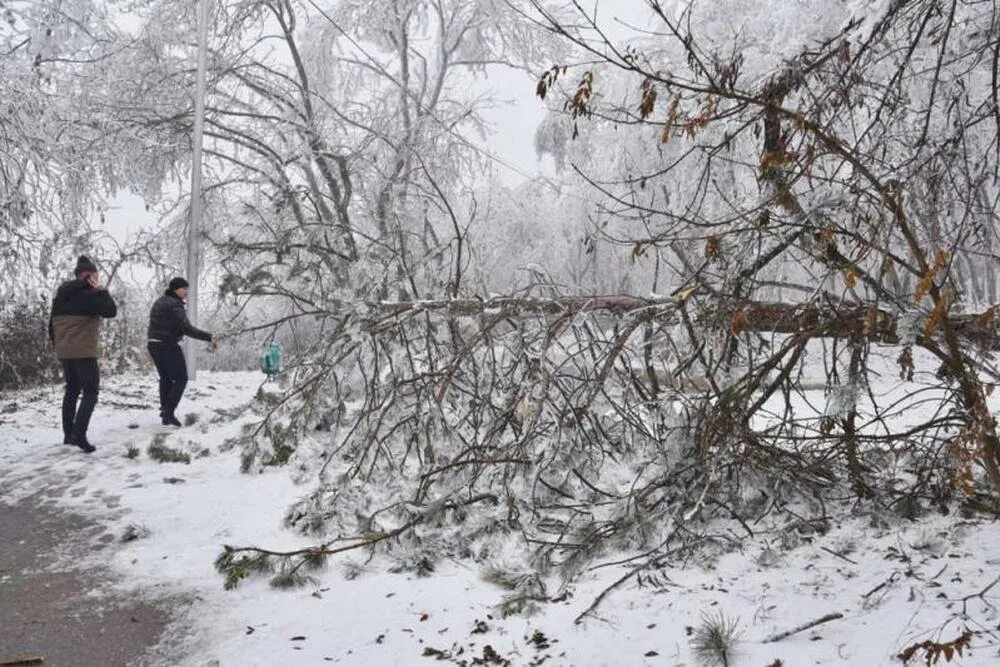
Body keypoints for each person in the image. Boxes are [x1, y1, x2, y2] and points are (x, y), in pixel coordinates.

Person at [49, 255, 118, 453]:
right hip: (84, 352)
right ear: (87, 275)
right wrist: (102, 291)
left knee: (72, 390)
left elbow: (51, 325)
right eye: (94, 273)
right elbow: (111, 311)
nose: (96, 276)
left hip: (65, 352)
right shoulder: (89, 295)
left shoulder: (61, 296)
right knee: (91, 392)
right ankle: (80, 434)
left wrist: (60, 346)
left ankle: (68, 434)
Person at [147, 277, 219, 426]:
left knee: (165, 378)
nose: (187, 292)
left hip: (153, 344)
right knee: (181, 378)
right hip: (167, 344)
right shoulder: (175, 305)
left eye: (187, 289)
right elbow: (187, 329)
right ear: (175, 289)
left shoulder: (161, 301)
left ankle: (165, 413)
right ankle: (168, 411)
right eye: (184, 289)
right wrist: (209, 337)